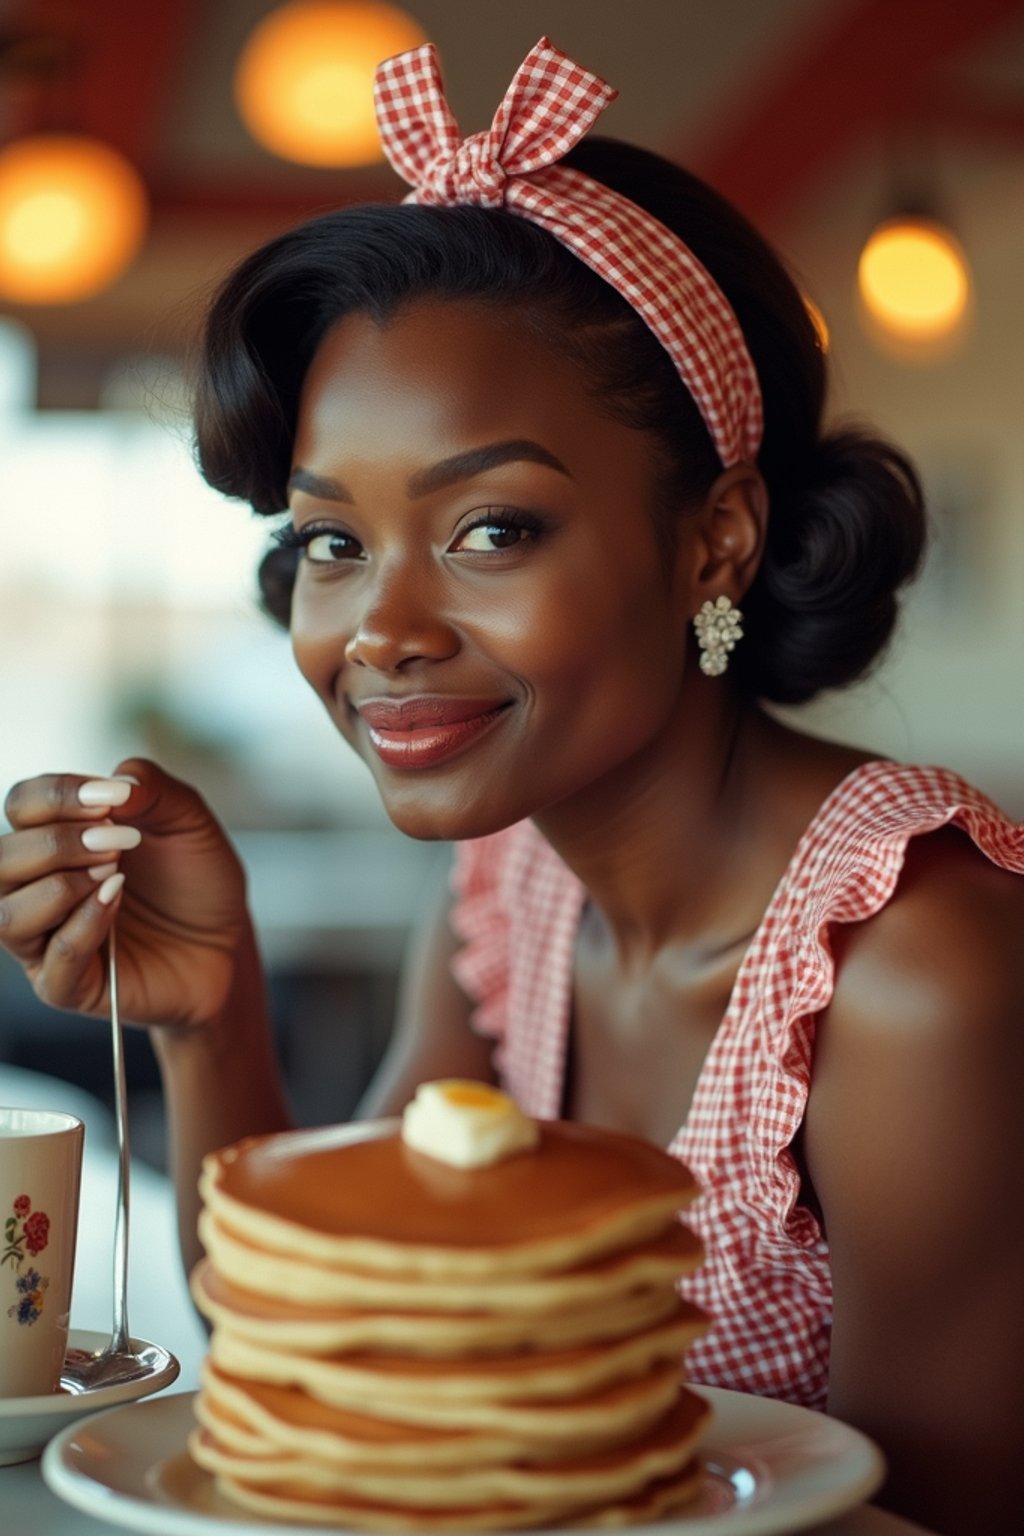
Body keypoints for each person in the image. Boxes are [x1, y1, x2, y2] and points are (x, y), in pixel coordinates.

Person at [1, 37, 1022, 1535]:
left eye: (492, 528)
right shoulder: (513, 900)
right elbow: (331, 1376)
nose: (385, 634)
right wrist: (211, 1008)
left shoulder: (916, 962)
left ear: (715, 541)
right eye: (333, 544)